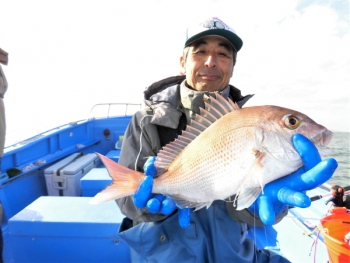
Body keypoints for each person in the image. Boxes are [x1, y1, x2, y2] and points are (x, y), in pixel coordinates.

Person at [115, 17, 338, 262]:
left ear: (232, 66)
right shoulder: (146, 120)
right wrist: (146, 206)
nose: (211, 62)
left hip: (233, 252)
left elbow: (249, 202)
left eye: (223, 54)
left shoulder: (246, 121)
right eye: (200, 52)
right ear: (183, 62)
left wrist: (271, 209)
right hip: (164, 254)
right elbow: (128, 204)